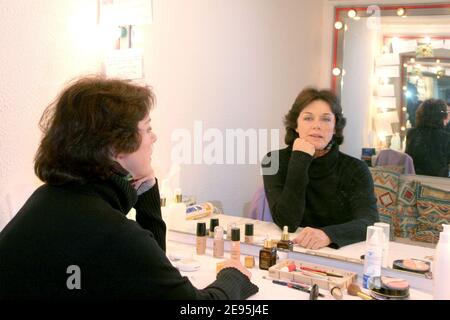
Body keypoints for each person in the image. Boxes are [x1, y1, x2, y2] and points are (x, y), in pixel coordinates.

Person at [0, 76, 258, 299]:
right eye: (147, 129)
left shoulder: (48, 197)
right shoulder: (113, 233)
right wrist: (232, 276)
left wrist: (144, 192)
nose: (154, 138)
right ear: (115, 147)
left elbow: (152, 279)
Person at [262, 88, 378, 249]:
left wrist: (328, 235)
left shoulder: (356, 168)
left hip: (340, 253)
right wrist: (300, 159)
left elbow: (369, 221)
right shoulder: (273, 161)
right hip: (293, 249)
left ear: (335, 127)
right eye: (308, 118)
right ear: (296, 125)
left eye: (325, 119)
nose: (317, 126)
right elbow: (287, 222)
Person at [405, 99, 450, 178]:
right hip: (438, 185)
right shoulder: (446, 138)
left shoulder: (411, 133)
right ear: (441, 116)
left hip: (414, 183)